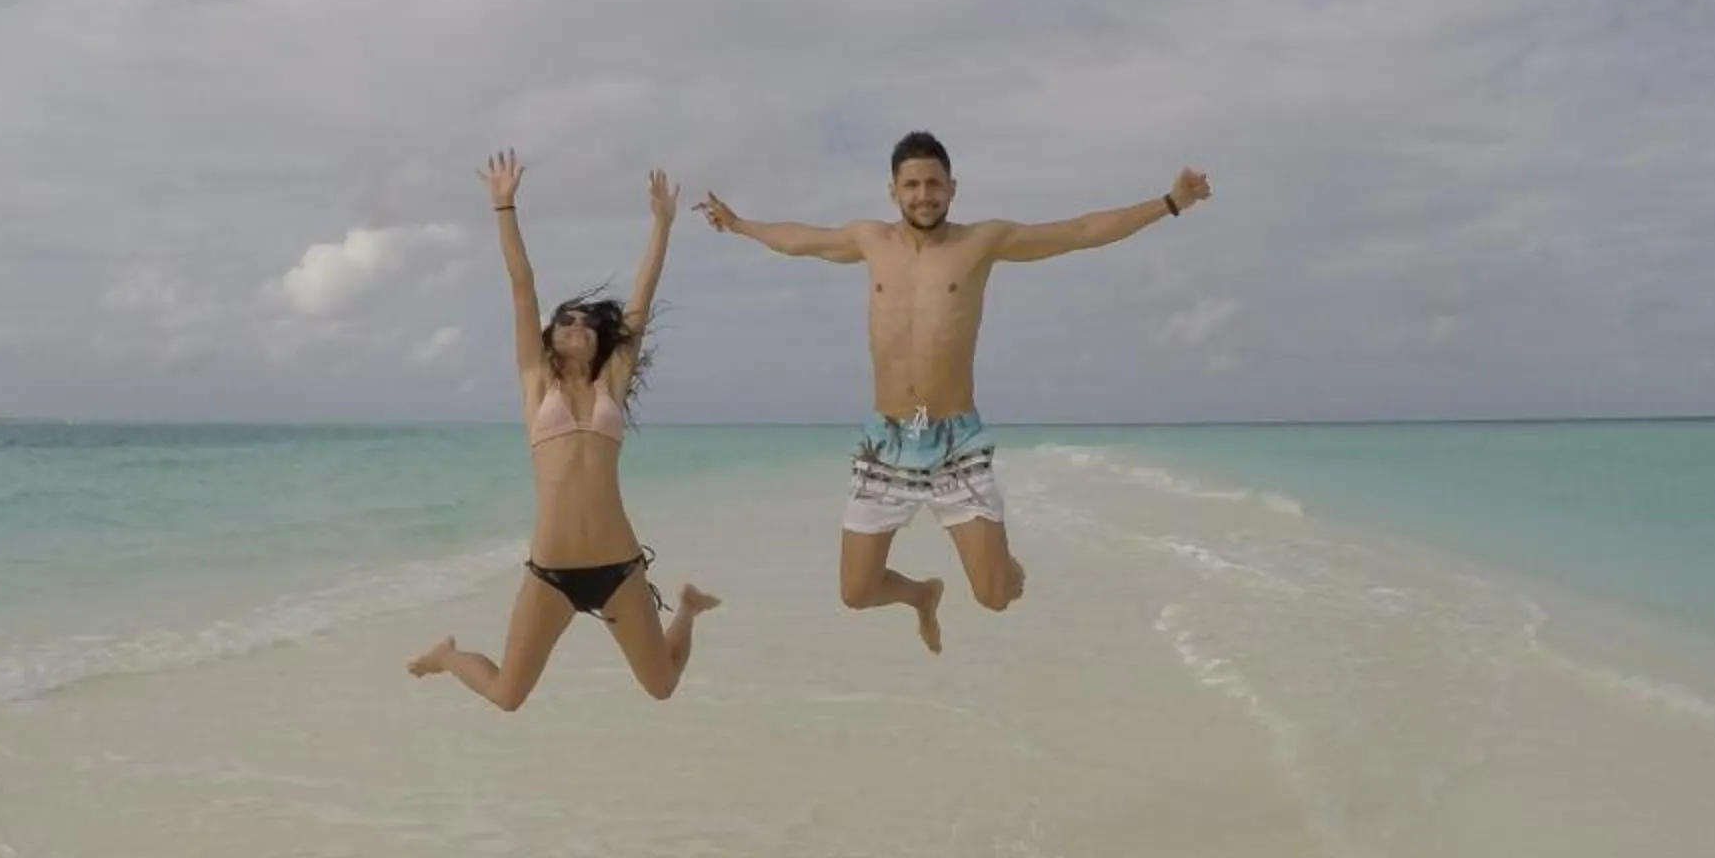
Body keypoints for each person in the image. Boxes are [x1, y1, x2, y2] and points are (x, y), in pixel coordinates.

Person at [696, 132, 1210, 649]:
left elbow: (1077, 232)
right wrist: (739, 225)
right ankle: (921, 594)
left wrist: (1170, 202)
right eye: (911, 185)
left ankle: (1000, 563)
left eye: (934, 184)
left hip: (954, 441)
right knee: (856, 592)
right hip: (888, 440)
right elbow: (799, 239)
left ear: (952, 188)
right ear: (893, 191)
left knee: (996, 596)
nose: (924, 195)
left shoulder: (980, 242)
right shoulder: (870, 240)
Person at [409, 151, 718, 708]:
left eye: (586, 322)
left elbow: (642, 298)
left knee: (662, 686)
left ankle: (689, 609)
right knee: (508, 695)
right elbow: (522, 286)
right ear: (550, 336)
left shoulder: (611, 384)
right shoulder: (537, 383)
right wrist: (504, 206)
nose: (576, 325)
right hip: (551, 572)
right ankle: (447, 656)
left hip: (619, 567)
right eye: (565, 320)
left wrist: (662, 224)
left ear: (601, 339)